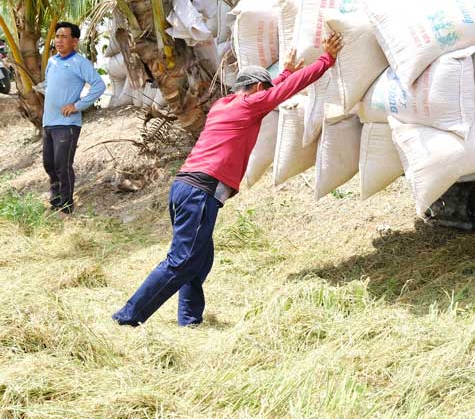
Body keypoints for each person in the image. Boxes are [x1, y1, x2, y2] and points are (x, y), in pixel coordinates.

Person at [112, 31, 344, 327]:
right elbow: (282, 92)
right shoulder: (249, 106)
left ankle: (189, 321)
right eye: (263, 90)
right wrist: (327, 59)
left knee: (199, 260)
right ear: (258, 87)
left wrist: (284, 72)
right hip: (200, 193)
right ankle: (128, 316)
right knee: (182, 260)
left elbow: (273, 91)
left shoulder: (224, 105)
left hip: (184, 188)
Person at [41, 22, 106, 215]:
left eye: (64, 36)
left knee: (62, 165)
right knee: (49, 164)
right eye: (57, 36)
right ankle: (56, 202)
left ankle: (66, 207)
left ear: (74, 41)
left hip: (67, 124)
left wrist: (76, 106)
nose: (59, 40)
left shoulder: (80, 62)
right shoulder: (52, 61)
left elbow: (99, 85)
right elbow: (50, 84)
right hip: (49, 122)